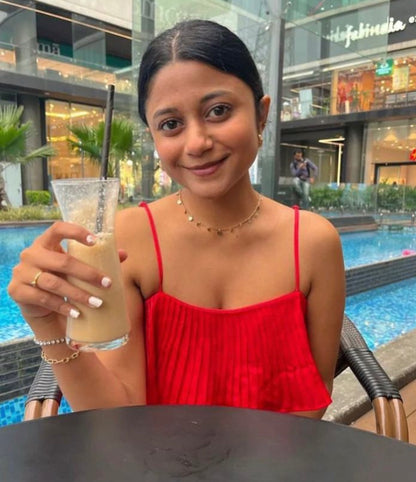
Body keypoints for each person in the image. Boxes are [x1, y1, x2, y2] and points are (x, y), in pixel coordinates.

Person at [7, 19, 345, 419]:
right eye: (171, 124)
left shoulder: (313, 244)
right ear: (154, 136)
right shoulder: (128, 237)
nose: (197, 142)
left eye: (218, 111)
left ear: (261, 114)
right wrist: (48, 324)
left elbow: (313, 400)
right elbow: (114, 417)